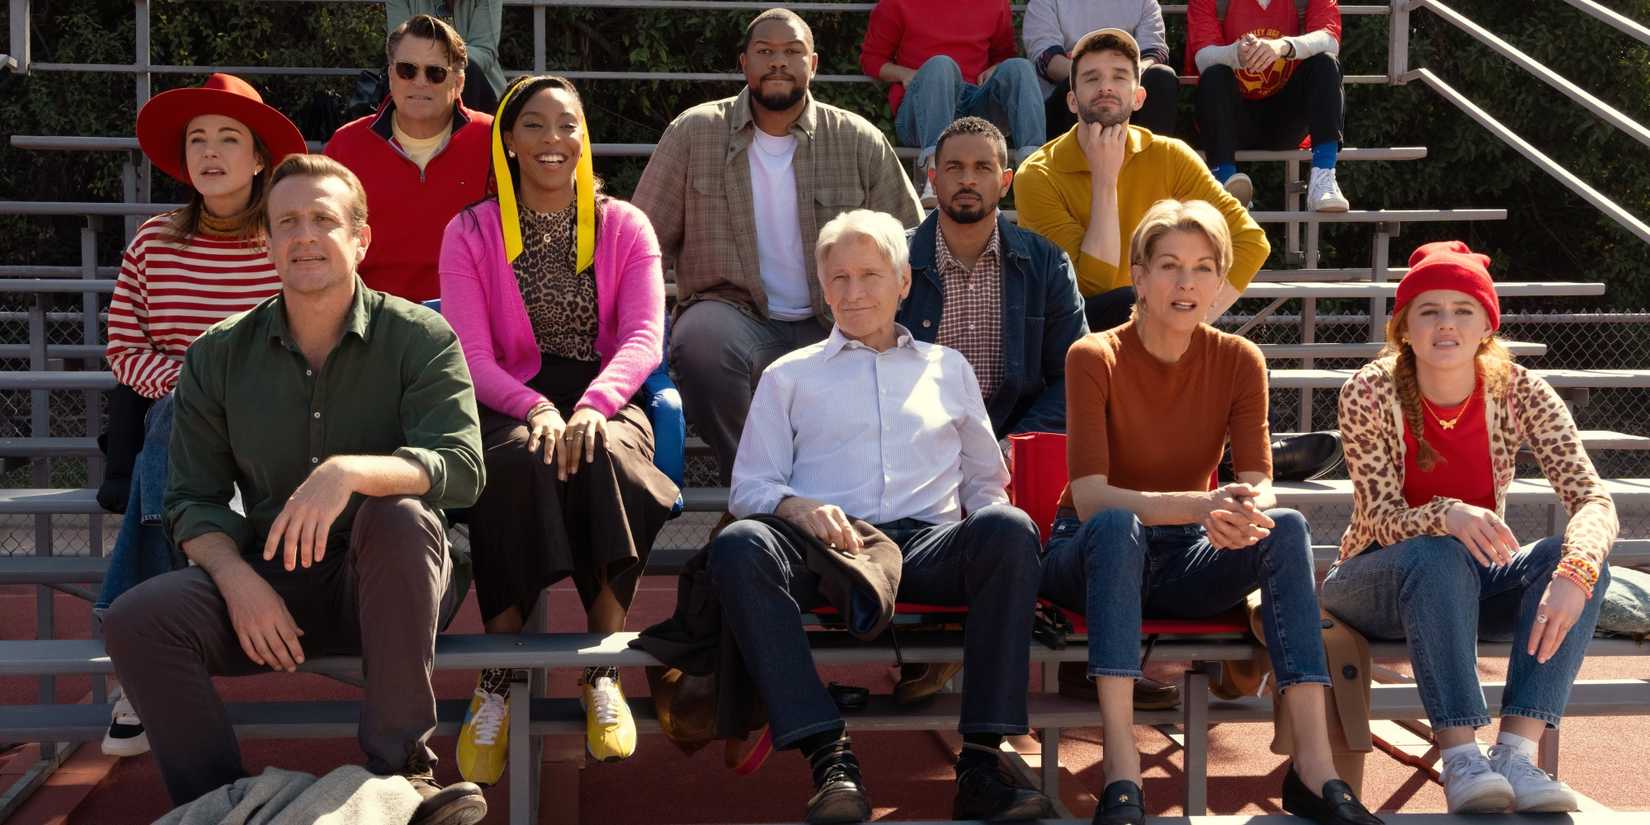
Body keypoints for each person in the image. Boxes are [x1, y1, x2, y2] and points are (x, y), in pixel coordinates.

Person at [102, 154, 489, 825]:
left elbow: (462, 465)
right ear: (268, 242)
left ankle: (402, 778)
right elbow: (191, 499)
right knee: (137, 619)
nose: (304, 235)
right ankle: (222, 807)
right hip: (273, 580)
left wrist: (349, 472)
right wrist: (236, 579)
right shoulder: (218, 352)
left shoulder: (421, 336)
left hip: (391, 581)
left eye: (322, 219)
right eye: (286, 222)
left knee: (399, 515)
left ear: (361, 238)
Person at [1038, 199, 1382, 825]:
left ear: (1221, 280)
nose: (1186, 282)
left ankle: (1313, 767)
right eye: (1169, 265)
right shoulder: (1092, 355)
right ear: (1139, 277)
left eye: (1203, 268)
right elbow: (1089, 497)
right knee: (1116, 524)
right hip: (1091, 552)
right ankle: (1122, 769)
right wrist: (1203, 504)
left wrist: (1241, 511)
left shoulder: (1240, 359)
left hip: (1185, 555)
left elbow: (1259, 482)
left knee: (1287, 527)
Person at [710, 209, 1053, 824]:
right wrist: (796, 507)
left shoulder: (949, 368)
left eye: (870, 274)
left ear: (904, 282)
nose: (853, 291)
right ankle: (830, 758)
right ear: (822, 288)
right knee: (740, 544)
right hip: (831, 551)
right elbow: (750, 487)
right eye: (838, 278)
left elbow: (985, 483)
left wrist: (1001, 550)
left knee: (1008, 529)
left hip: (927, 547)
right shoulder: (788, 375)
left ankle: (981, 765)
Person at [439, 74, 679, 783]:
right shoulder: (470, 231)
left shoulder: (625, 225)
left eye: (568, 124)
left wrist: (592, 407)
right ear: (508, 142)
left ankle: (601, 666)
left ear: (584, 137)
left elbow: (643, 337)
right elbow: (471, 355)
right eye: (535, 125)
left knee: (608, 457)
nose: (554, 139)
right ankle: (499, 674)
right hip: (507, 399)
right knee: (515, 464)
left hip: (605, 395)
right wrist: (537, 408)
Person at [1320, 241, 1616, 814]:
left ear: (1486, 325)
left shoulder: (1521, 390)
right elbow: (1379, 517)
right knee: (1439, 552)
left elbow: (1593, 499)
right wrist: (1447, 514)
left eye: (1463, 310)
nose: (1446, 324)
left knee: (1574, 560)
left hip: (1471, 582)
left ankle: (1515, 755)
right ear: (1405, 328)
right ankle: (1459, 755)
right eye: (1429, 311)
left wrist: (1576, 571)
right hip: (1370, 581)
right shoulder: (1368, 390)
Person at [97, 72, 308, 759]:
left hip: (269, 416)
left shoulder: (287, 236)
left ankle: (135, 642)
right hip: (177, 416)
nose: (210, 152)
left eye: (228, 138)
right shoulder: (152, 243)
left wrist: (220, 389)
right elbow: (124, 349)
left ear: (259, 158)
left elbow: (310, 334)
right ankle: (154, 632)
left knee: (172, 421)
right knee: (171, 417)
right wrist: (191, 386)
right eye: (197, 140)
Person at [632, 8, 922, 490]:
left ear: (814, 64)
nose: (778, 62)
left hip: (835, 320)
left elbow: (910, 242)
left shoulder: (856, 139)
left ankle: (815, 496)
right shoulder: (694, 132)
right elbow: (641, 245)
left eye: (792, 51)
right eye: (765, 51)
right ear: (744, 63)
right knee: (700, 339)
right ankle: (754, 488)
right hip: (736, 318)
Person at [1013, 28, 1268, 334]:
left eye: (1119, 76)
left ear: (1138, 98)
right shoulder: (1037, 174)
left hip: (1152, 328)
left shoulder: (1171, 157)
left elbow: (1251, 242)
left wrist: (1186, 326)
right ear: (1072, 100)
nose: (1106, 87)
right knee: (1124, 301)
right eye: (1092, 78)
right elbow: (1091, 288)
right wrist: (1105, 179)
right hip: (1074, 333)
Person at [899, 116, 1086, 440]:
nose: (968, 180)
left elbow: (1073, 378)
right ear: (934, 178)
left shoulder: (1047, 265)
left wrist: (1013, 449)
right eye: (954, 167)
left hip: (1013, 441)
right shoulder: (895, 261)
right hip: (914, 442)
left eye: (983, 167)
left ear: (1005, 181)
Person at [326, 13, 493, 302]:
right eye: (407, 70)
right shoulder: (346, 144)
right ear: (391, 75)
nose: (420, 82)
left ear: (458, 81)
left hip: (469, 311)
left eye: (435, 73)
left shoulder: (492, 139)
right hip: (373, 314)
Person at [858, 0, 1043, 207]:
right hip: (923, 107)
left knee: (1020, 67)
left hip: (975, 102)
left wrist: (996, 67)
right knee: (941, 64)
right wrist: (905, 74)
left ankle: (1035, 174)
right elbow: (871, 59)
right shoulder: (897, 3)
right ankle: (935, 173)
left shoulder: (995, 3)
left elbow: (1004, 55)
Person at [1187, 0, 1349, 211]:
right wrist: (1235, 54)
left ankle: (1323, 176)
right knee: (1214, 75)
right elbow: (1202, 58)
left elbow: (1330, 40)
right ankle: (1225, 184)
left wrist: (1284, 46)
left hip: (1285, 119)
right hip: (1232, 119)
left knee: (1326, 62)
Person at [1023, 0, 1178, 138]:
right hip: (1068, 92)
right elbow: (1048, 61)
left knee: (1161, 77)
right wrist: (1097, 75)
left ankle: (1153, 156)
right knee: (1076, 84)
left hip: (1127, 86)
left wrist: (1122, 77)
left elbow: (1154, 52)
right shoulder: (1044, 2)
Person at [387, 1, 506, 115]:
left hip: (477, 85)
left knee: (469, 69)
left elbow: (484, 50)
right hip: (413, 78)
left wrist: (441, 64)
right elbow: (397, 48)